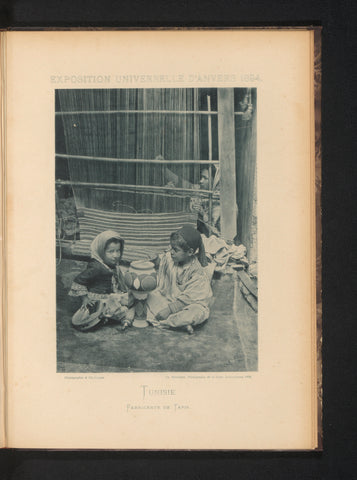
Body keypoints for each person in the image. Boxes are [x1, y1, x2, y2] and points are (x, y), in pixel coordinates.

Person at [147, 225, 212, 334]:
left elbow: (190, 298)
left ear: (190, 252)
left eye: (175, 250)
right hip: (168, 299)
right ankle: (180, 325)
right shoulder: (171, 258)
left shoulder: (196, 273)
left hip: (187, 304)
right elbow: (163, 263)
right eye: (171, 248)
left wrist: (168, 310)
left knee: (197, 312)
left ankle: (174, 322)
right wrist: (155, 260)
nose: (171, 252)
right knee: (149, 296)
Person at [68, 230, 133, 330]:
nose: (116, 255)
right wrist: (85, 299)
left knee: (131, 299)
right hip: (100, 300)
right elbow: (78, 281)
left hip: (110, 295)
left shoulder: (111, 264)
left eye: (118, 250)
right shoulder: (96, 267)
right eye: (111, 251)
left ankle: (108, 316)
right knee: (125, 310)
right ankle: (104, 318)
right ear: (101, 251)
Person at [190, 167, 221, 236]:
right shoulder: (200, 190)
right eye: (201, 177)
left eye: (205, 178)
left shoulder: (219, 200)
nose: (201, 181)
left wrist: (202, 213)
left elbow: (214, 231)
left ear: (214, 181)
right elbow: (180, 182)